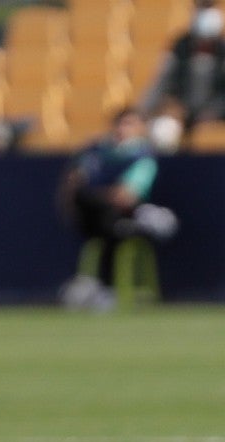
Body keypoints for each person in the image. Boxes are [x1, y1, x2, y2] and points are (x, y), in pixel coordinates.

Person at [56, 106, 176, 310]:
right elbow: (73, 186)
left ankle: (103, 289)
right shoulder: (95, 152)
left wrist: (96, 193)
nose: (123, 129)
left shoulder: (142, 158)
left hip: (115, 217)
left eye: (130, 124)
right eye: (121, 123)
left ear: (141, 129)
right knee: (97, 212)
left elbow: (126, 196)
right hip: (93, 219)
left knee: (111, 228)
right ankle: (142, 222)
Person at [141, 0, 225, 131]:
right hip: (182, 112)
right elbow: (162, 81)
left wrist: (214, 111)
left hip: (218, 116)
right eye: (202, 9)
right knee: (163, 129)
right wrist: (149, 110)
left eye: (209, 9)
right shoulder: (181, 46)